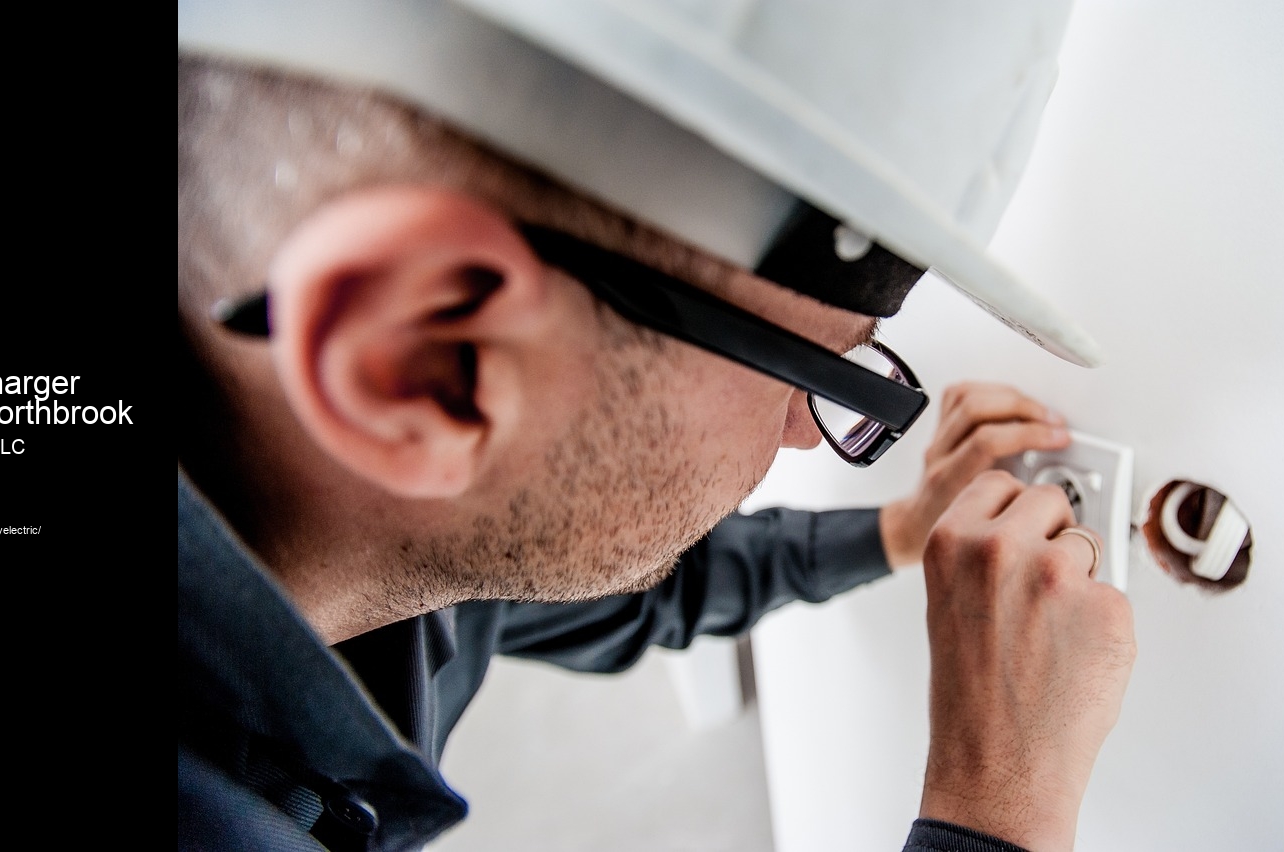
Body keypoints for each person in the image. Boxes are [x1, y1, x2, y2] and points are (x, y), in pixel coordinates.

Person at [178, 2, 1136, 851]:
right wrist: (993, 817)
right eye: (816, 373)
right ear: (425, 363)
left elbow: (636, 590)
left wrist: (899, 529)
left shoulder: (387, 525)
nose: (808, 435)